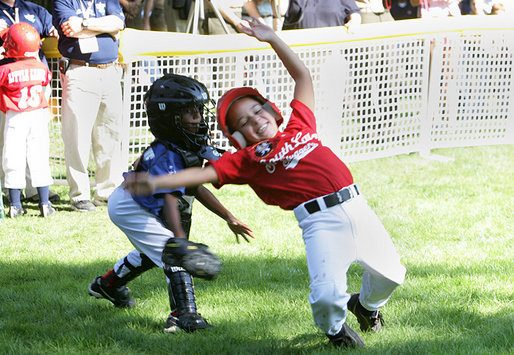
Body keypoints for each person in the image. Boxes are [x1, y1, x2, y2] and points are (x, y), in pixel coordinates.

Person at [125, 20, 406, 348]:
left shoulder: (300, 125)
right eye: (244, 121)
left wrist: (272, 38)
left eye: (258, 110)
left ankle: (365, 306)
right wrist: (155, 181)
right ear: (239, 136)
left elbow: (302, 76)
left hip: (357, 207)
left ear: (272, 111)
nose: (256, 119)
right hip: (320, 223)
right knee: (327, 297)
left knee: (391, 273)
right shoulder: (247, 160)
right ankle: (336, 332)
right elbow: (201, 175)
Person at [88, 74, 254, 333]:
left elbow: (194, 186)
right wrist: (179, 240)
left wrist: (228, 217)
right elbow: (170, 196)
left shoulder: (182, 145)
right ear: (170, 118)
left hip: (138, 202)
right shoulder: (169, 154)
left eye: (198, 110)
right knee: (174, 254)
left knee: (152, 252)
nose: (198, 117)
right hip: (129, 206)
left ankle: (107, 285)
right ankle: (184, 316)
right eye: (189, 113)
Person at [52, 0, 126, 212]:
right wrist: (106, 28)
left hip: (111, 71)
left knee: (110, 136)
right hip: (79, 70)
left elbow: (118, 23)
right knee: (77, 136)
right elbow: (70, 28)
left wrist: (84, 26)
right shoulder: (63, 1)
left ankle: (106, 193)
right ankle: (79, 195)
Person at [0, 0, 60, 205]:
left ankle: (36, 188)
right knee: (8, 141)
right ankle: (10, 190)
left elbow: (55, 32)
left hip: (34, 81)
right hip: (7, 85)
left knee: (37, 140)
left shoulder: (34, 10)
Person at [282, 0, 361, 31]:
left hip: (332, 50)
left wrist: (353, 23)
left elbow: (354, 13)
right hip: (298, 52)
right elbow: (280, 12)